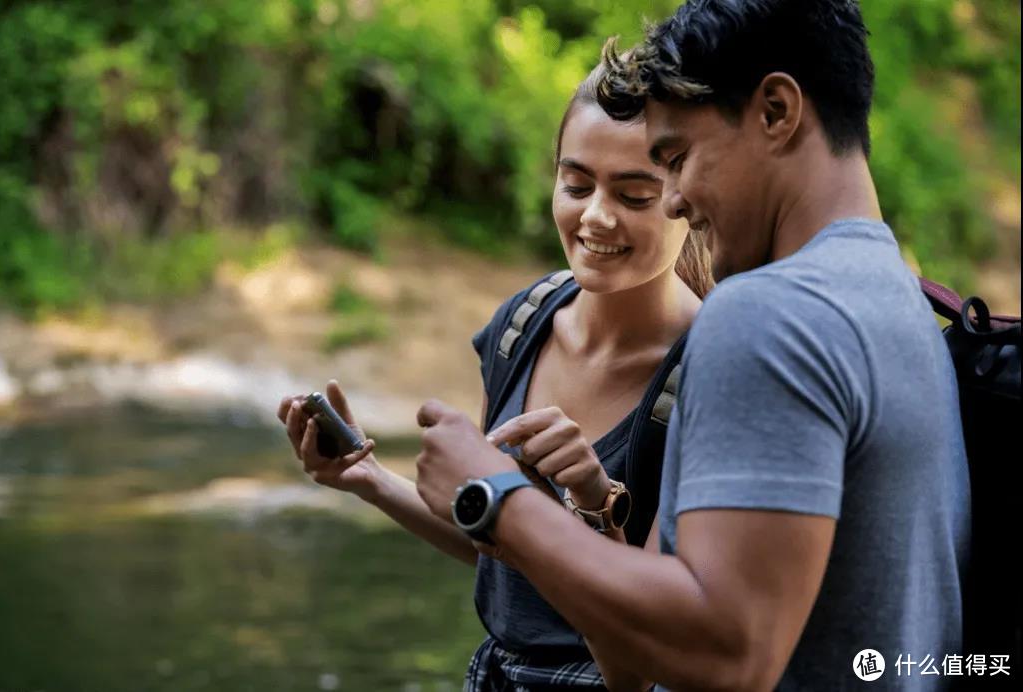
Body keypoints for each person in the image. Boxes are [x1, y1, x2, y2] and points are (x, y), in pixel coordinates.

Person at [412, 1, 971, 690]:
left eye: (677, 158)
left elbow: (728, 653)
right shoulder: (899, 297)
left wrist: (494, 496)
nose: (674, 200)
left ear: (775, 111)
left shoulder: (770, 314)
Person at [277, 64, 711, 690]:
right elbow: (498, 547)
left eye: (634, 195)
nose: (596, 217)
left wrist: (594, 508)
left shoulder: (710, 371)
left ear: (683, 199)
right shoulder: (522, 323)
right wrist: (368, 479)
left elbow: (638, 664)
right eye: (576, 184)